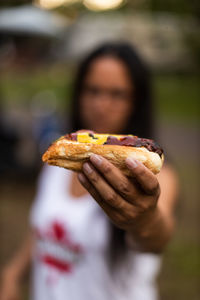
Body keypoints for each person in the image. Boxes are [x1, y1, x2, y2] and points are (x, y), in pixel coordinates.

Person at [0, 42, 178, 300]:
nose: (101, 104)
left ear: (136, 102)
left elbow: (156, 238)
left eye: (117, 94)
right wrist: (13, 272)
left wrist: (144, 220)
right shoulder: (58, 160)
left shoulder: (155, 175)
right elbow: (44, 229)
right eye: (92, 91)